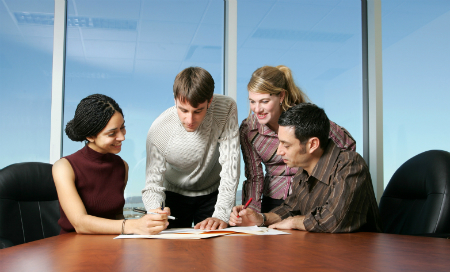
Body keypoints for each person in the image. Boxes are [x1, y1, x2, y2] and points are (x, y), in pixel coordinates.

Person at [230, 103, 382, 233]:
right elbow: (290, 208)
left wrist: (294, 222)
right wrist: (261, 218)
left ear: (312, 145)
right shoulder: (303, 170)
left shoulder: (349, 164)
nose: (279, 151)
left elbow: (333, 219)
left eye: (286, 145)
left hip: (359, 256)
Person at [240, 65, 356, 213]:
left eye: (264, 101)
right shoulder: (248, 130)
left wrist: (327, 184)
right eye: (252, 101)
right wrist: (250, 212)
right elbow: (254, 177)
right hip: (274, 200)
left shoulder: (304, 117)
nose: (257, 109)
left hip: (311, 195)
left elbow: (347, 146)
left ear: (281, 96)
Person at [53, 94, 169, 235]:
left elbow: (117, 218)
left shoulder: (122, 166)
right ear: (90, 136)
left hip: (111, 247)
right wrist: (134, 225)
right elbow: (80, 224)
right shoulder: (64, 167)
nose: (122, 137)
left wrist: (149, 220)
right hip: (73, 249)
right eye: (112, 133)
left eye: (122, 128)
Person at [142, 67, 240, 230]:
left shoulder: (226, 108)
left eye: (198, 111)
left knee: (218, 248)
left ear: (210, 101)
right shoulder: (159, 130)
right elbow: (152, 184)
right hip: (174, 195)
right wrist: (155, 211)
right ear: (175, 100)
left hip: (214, 193)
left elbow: (231, 166)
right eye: (183, 110)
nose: (190, 119)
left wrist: (221, 214)